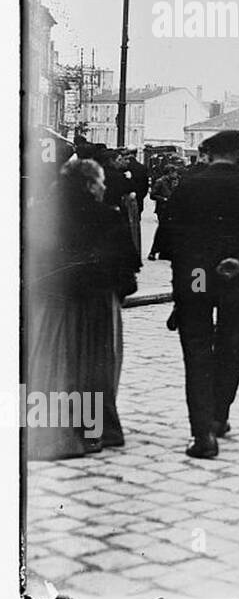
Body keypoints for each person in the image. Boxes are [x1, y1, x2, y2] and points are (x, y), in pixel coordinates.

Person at [159, 130, 239, 458]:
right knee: (232, 349)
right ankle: (219, 415)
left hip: (197, 278)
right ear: (238, 155)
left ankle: (202, 435)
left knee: (197, 352)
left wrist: (188, 276)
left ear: (208, 154)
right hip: (233, 278)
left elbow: (166, 241)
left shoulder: (187, 186)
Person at [26, 157, 139, 460]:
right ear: (90, 184)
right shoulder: (108, 216)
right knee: (95, 365)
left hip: (52, 302)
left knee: (56, 361)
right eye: (101, 183)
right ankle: (94, 430)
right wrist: (124, 289)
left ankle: (52, 426)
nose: (103, 189)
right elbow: (125, 267)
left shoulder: (41, 213)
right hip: (97, 302)